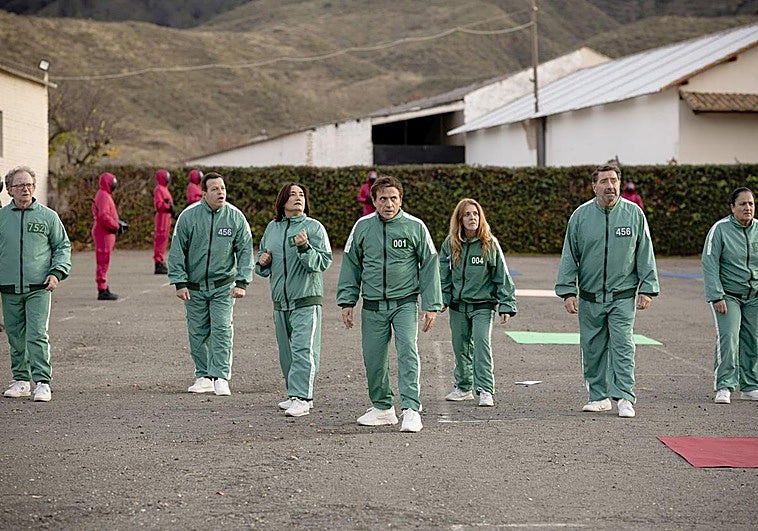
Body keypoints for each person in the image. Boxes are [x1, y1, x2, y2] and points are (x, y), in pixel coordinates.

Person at [337, 175, 442, 433]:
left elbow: (430, 264)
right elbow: (351, 263)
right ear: (373, 201)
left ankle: (411, 410)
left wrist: (431, 304)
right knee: (373, 359)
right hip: (372, 305)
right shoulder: (362, 227)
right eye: (383, 198)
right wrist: (347, 301)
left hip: (404, 303)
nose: (388, 203)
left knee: (408, 352)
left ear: (401, 200)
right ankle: (383, 408)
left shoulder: (415, 227)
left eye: (393, 198)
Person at [555, 163, 659, 418]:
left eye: (614, 180)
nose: (610, 186)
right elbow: (570, 255)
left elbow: (645, 252)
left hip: (622, 295)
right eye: (604, 181)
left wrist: (647, 288)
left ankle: (624, 397)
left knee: (623, 346)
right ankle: (598, 397)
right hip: (590, 298)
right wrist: (568, 291)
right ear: (594, 186)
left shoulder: (634, 214)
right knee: (592, 348)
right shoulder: (580, 217)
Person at [168, 172, 253, 397]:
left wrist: (242, 281)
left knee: (222, 329)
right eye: (214, 189)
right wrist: (179, 282)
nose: (220, 192)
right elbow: (177, 250)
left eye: (222, 188)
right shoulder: (188, 217)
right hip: (194, 287)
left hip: (223, 286)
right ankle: (204, 376)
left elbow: (245, 250)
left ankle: (221, 377)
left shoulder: (235, 217)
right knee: (197, 332)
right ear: (204, 193)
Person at [255, 182, 332, 417]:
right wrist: (263, 261)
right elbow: (262, 257)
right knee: (286, 353)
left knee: (303, 350)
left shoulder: (314, 228)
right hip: (280, 303)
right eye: (292, 194)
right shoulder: (272, 228)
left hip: (306, 300)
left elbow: (323, 262)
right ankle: (294, 394)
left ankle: (303, 397)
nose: (298, 198)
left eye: (301, 195)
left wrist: (305, 248)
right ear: (282, 201)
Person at [0, 166, 71, 402]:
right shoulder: (2, 218)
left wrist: (57, 273)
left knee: (37, 334)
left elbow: (62, 247)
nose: (26, 189)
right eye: (20, 185)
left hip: (39, 286)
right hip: (8, 287)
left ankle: (42, 382)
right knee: (15, 335)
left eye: (29, 184)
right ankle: (21, 380)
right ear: (9, 190)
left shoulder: (48, 217)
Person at [439, 199, 517, 407]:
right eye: (467, 214)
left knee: (481, 345)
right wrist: (443, 299)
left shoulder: (489, 244)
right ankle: (464, 388)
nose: (472, 217)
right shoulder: (450, 244)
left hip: (483, 305)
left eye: (475, 214)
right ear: (460, 219)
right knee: (460, 347)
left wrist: (506, 304)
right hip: (458, 306)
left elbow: (502, 276)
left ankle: (485, 389)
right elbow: (443, 274)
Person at [701, 187, 758, 404]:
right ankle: (724, 385)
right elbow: (709, 262)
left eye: (751, 203)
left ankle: (750, 386)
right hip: (728, 296)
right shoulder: (720, 229)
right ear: (732, 207)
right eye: (742, 204)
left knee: (753, 339)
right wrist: (716, 295)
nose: (748, 208)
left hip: (754, 296)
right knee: (729, 338)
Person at [92, 172, 127, 301]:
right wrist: (116, 226)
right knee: (103, 260)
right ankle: (102, 289)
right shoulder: (103, 196)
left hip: (106, 233)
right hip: (104, 233)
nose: (114, 185)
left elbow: (107, 215)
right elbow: (104, 216)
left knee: (104, 261)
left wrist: (117, 223)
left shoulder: (104, 195)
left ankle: (103, 286)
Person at [153, 169, 175, 275]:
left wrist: (171, 209)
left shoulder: (164, 189)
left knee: (164, 239)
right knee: (160, 238)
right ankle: (158, 262)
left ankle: (161, 260)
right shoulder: (159, 189)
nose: (168, 179)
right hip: (162, 217)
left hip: (167, 217)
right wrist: (168, 206)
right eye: (166, 176)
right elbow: (159, 204)